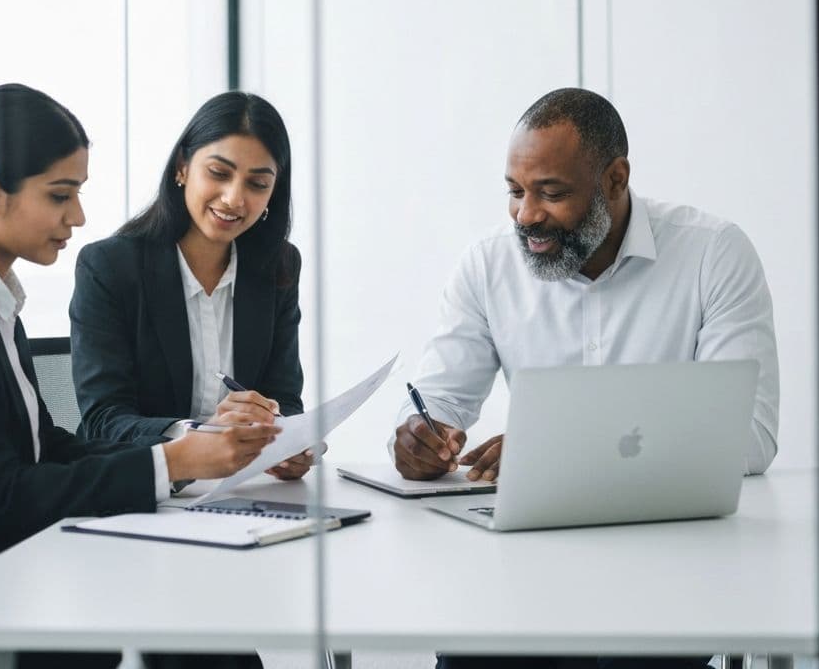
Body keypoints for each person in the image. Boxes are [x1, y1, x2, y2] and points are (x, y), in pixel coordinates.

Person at [0, 84, 279, 669]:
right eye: (60, 195)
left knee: (195, 627)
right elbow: (1, 495)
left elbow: (46, 448)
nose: (78, 216)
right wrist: (173, 463)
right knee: (181, 625)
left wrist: (180, 454)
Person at [392, 87, 779, 669]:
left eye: (552, 193)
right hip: (524, 563)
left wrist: (559, 447)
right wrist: (419, 435)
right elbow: (439, 397)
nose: (527, 215)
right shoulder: (487, 264)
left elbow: (749, 438)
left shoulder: (714, 254)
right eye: (515, 191)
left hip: (672, 565)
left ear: (616, 179)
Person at [71, 91, 312, 484]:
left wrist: (286, 439)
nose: (234, 198)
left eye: (257, 183)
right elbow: (103, 420)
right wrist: (199, 436)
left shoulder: (278, 266)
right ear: (182, 167)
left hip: (238, 493)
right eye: (219, 173)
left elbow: (284, 398)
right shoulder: (110, 267)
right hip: (139, 490)